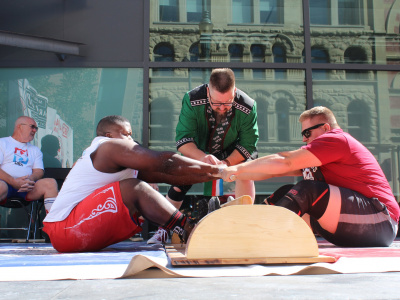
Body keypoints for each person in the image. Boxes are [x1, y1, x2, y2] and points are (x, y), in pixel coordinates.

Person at [221, 106, 400, 247]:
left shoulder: (337, 139)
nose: (304, 140)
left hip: (382, 221)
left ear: (326, 128)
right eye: (303, 135)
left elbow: (286, 161)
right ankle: (245, 230)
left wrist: (238, 168)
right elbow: (273, 170)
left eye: (307, 133)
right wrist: (237, 172)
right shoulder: (320, 157)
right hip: (359, 223)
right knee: (288, 192)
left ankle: (260, 238)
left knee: (308, 190)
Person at [42, 115, 223, 253]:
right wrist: (214, 169)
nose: (131, 139)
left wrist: (217, 174)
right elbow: (164, 162)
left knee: (141, 188)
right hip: (64, 229)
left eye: (131, 134)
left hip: (73, 231)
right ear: (109, 135)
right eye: (126, 134)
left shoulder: (118, 162)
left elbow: (168, 174)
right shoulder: (107, 147)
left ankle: (185, 228)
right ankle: (187, 229)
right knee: (133, 188)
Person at [147, 68, 259, 244]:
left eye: (228, 103)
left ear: (235, 91)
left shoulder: (248, 105)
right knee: (180, 180)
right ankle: (164, 229)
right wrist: (202, 157)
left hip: (233, 151)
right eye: (216, 103)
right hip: (198, 149)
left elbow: (248, 144)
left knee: (245, 172)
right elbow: (183, 140)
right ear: (208, 91)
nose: (222, 108)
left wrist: (227, 163)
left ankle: (243, 227)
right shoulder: (191, 99)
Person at [0, 116, 58, 214]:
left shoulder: (35, 150)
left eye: (36, 128)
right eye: (32, 127)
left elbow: (39, 171)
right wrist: (13, 181)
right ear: (20, 127)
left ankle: (53, 223)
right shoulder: (2, 142)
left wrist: (29, 180)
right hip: (5, 184)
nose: (35, 130)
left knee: (50, 183)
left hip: (27, 187)